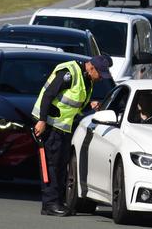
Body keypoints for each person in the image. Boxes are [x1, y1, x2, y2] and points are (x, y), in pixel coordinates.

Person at [31, 55, 113, 216]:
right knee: (52, 166)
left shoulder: (87, 80)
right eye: (100, 74)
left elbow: (73, 105)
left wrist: (89, 105)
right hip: (50, 125)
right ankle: (50, 204)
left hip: (63, 128)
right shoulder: (69, 73)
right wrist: (42, 121)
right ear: (91, 68)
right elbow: (48, 95)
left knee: (61, 166)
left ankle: (58, 202)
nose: (101, 79)